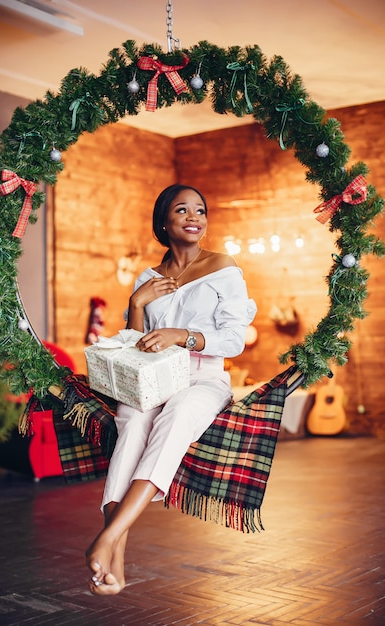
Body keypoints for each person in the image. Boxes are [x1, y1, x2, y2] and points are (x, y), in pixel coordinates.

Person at [86, 183, 257, 595]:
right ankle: (118, 558)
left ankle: (107, 539)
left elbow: (236, 337)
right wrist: (137, 304)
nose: (194, 217)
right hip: (153, 378)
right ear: (164, 221)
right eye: (182, 210)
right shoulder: (147, 278)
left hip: (204, 379)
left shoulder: (223, 267)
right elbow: (133, 344)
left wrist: (183, 335)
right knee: (129, 425)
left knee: (178, 416)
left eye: (200, 210)